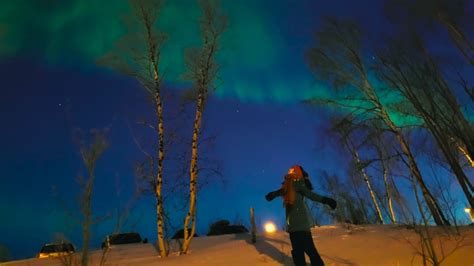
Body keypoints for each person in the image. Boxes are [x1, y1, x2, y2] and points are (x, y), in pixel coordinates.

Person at [265, 165, 337, 266]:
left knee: (310, 251)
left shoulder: (298, 185)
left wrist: (327, 200)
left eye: (292, 171)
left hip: (301, 226)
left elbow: (312, 195)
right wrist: (271, 194)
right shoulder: (287, 187)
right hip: (293, 227)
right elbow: (279, 192)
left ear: (297, 174)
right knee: (298, 253)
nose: (289, 172)